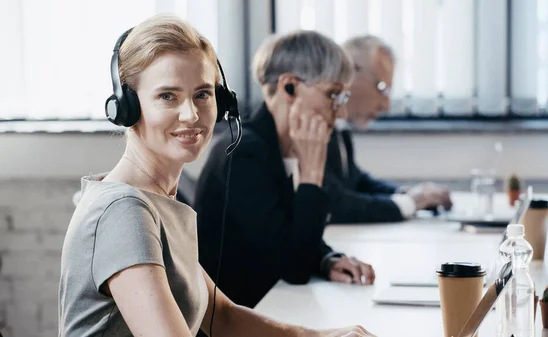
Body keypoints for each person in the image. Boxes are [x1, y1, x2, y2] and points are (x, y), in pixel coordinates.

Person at [58, 15, 374, 337]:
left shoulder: (158, 201)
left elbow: (223, 315)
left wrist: (321, 336)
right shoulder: (123, 211)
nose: (191, 114)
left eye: (202, 94)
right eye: (167, 96)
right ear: (127, 108)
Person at [194, 31, 375, 309]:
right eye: (333, 95)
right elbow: (294, 267)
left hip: (273, 306)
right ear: (289, 87)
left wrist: (327, 259)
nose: (341, 114)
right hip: (238, 318)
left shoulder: (276, 147)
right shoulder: (243, 153)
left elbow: (284, 232)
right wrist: (312, 176)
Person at [323, 35, 453, 224]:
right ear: (349, 73)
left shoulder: (339, 129)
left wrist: (408, 194)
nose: (387, 106)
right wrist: (410, 203)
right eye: (382, 88)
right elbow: (335, 204)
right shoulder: (311, 128)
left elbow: (357, 181)